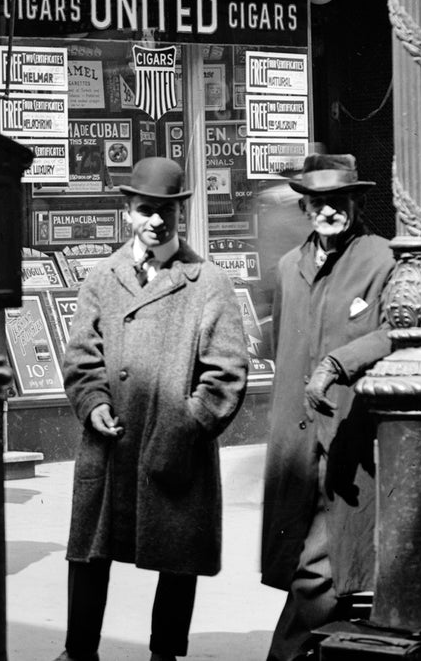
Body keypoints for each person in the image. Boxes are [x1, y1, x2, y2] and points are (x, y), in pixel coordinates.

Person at [54, 156, 249, 661]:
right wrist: (92, 401)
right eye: (146, 209)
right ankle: (79, 651)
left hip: (173, 438)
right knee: (90, 551)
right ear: (128, 212)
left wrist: (186, 425)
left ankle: (164, 654)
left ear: (180, 213)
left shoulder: (207, 281)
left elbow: (226, 373)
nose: (157, 220)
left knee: (176, 556)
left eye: (166, 210)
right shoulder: (102, 277)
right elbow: (81, 356)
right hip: (110, 439)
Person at [261, 153, 395, 661]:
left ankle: (285, 655)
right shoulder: (288, 267)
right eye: (318, 202)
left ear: (355, 202)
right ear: (305, 206)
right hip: (298, 440)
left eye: (338, 201)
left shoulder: (383, 258)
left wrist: (340, 362)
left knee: (323, 563)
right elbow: (284, 349)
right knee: (312, 557)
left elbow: (397, 331)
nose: (328, 211)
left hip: (353, 433)